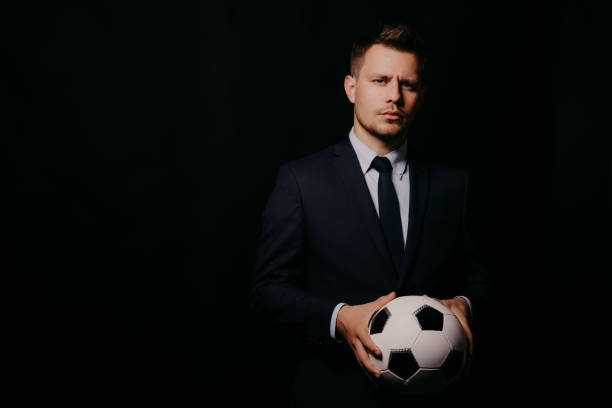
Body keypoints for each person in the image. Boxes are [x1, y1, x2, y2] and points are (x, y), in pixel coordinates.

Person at [248, 22, 488, 407]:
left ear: (421, 95)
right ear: (351, 87)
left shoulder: (453, 186)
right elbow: (267, 293)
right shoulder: (301, 181)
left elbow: (484, 280)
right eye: (380, 80)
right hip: (333, 397)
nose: (395, 96)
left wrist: (466, 303)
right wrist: (339, 318)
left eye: (407, 84)